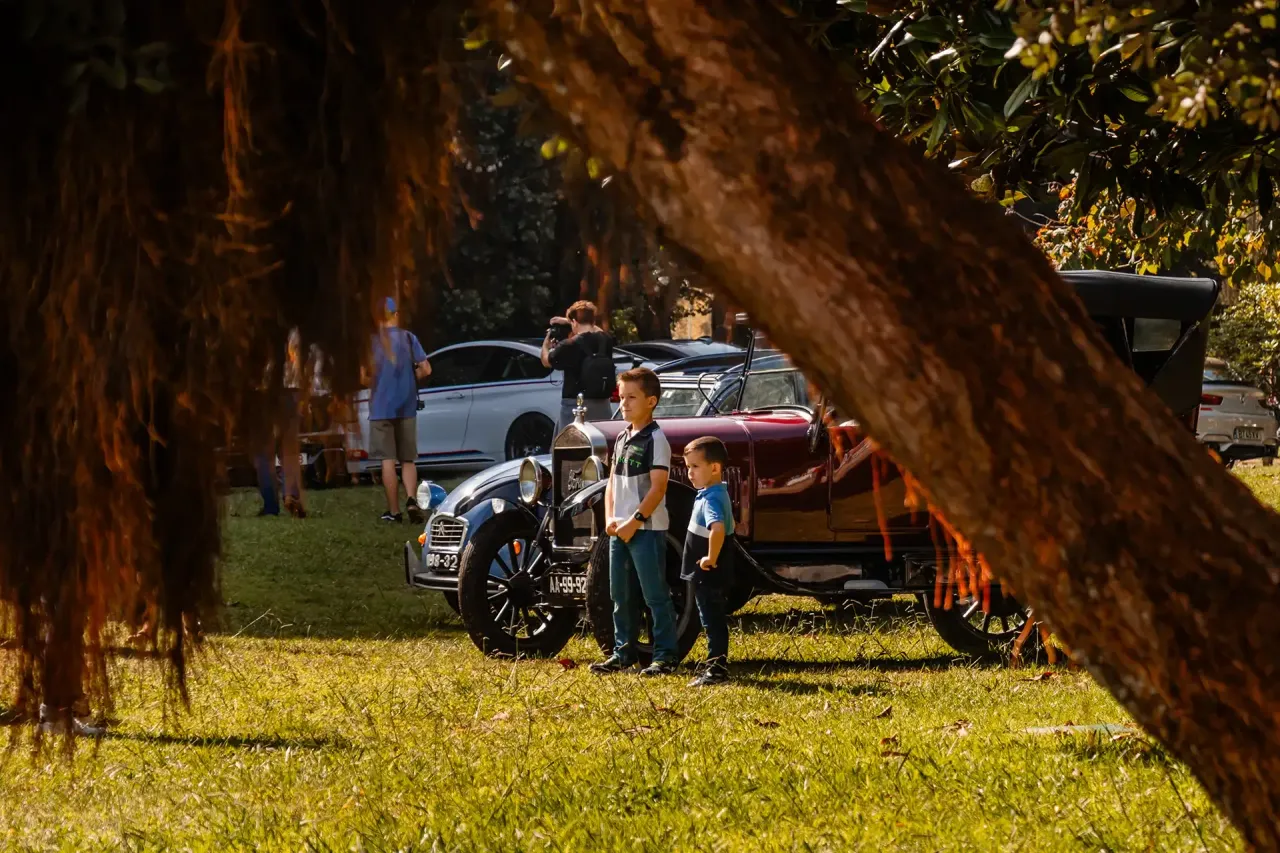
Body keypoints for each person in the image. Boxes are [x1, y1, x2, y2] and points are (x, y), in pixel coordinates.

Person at [590, 368, 679, 676]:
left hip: (646, 530)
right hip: (619, 530)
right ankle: (623, 652)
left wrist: (635, 520)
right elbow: (612, 482)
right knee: (621, 595)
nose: (623, 404)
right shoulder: (622, 437)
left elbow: (658, 488)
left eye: (631, 398)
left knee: (654, 594)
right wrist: (610, 518)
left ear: (651, 401)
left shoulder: (656, 439)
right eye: (621, 397)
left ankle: (665, 656)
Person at [368, 297, 431, 522]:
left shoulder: (372, 342)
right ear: (396, 315)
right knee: (407, 460)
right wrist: (410, 379)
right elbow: (426, 369)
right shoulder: (408, 338)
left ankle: (394, 512)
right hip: (407, 406)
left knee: (388, 460)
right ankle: (412, 500)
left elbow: (363, 376)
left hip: (380, 408)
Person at [681, 436, 736, 686]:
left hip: (709, 572)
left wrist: (710, 557)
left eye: (695, 466)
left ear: (714, 468)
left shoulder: (712, 498)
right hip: (705, 572)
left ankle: (717, 669)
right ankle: (715, 665)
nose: (689, 473)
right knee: (710, 618)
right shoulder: (710, 493)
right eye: (688, 467)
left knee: (712, 620)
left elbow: (717, 528)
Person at [541, 300, 615, 431]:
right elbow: (597, 330)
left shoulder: (568, 345)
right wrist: (570, 320)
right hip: (603, 405)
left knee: (570, 442)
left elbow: (546, 361)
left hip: (575, 406)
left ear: (574, 322)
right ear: (593, 321)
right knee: (601, 441)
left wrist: (546, 342)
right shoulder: (605, 340)